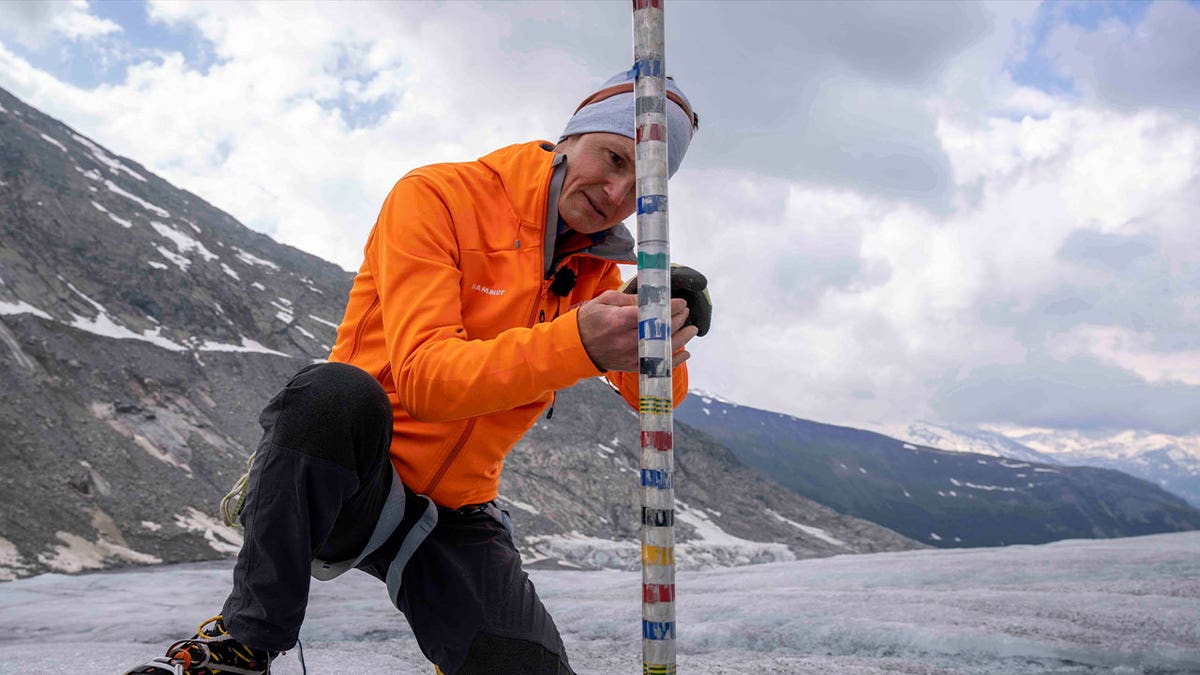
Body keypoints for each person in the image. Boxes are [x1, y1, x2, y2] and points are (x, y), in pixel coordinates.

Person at [126, 67, 707, 675]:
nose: (617, 193)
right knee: (332, 392)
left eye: (643, 186)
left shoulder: (593, 278)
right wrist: (579, 344)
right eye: (613, 158)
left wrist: (663, 329)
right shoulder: (439, 196)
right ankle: (244, 643)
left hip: (451, 515)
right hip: (352, 474)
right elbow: (426, 381)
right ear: (569, 139)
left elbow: (654, 405)